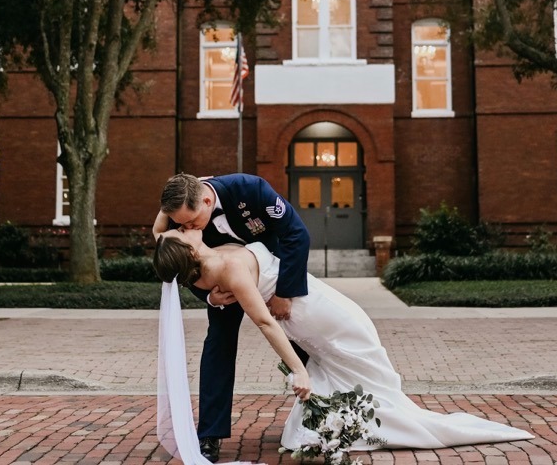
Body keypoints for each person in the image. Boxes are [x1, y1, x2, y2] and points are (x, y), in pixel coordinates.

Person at [153, 229, 534, 458]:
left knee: (366, 372)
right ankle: (385, 422)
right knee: (356, 372)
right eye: (180, 232)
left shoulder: (203, 269)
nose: (182, 227)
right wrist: (299, 371)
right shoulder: (230, 269)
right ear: (189, 251)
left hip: (320, 307)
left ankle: (371, 417)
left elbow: (162, 235)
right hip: (313, 316)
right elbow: (266, 323)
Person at [155, 172, 311, 463]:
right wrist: (209, 297)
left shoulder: (250, 189)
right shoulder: (182, 216)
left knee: (303, 339)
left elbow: (296, 234)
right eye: (181, 225)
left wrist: (284, 292)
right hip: (224, 285)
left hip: (273, 275)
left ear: (206, 200)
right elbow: (178, 262)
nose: (187, 228)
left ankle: (316, 409)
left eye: (191, 222)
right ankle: (209, 435)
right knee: (218, 344)